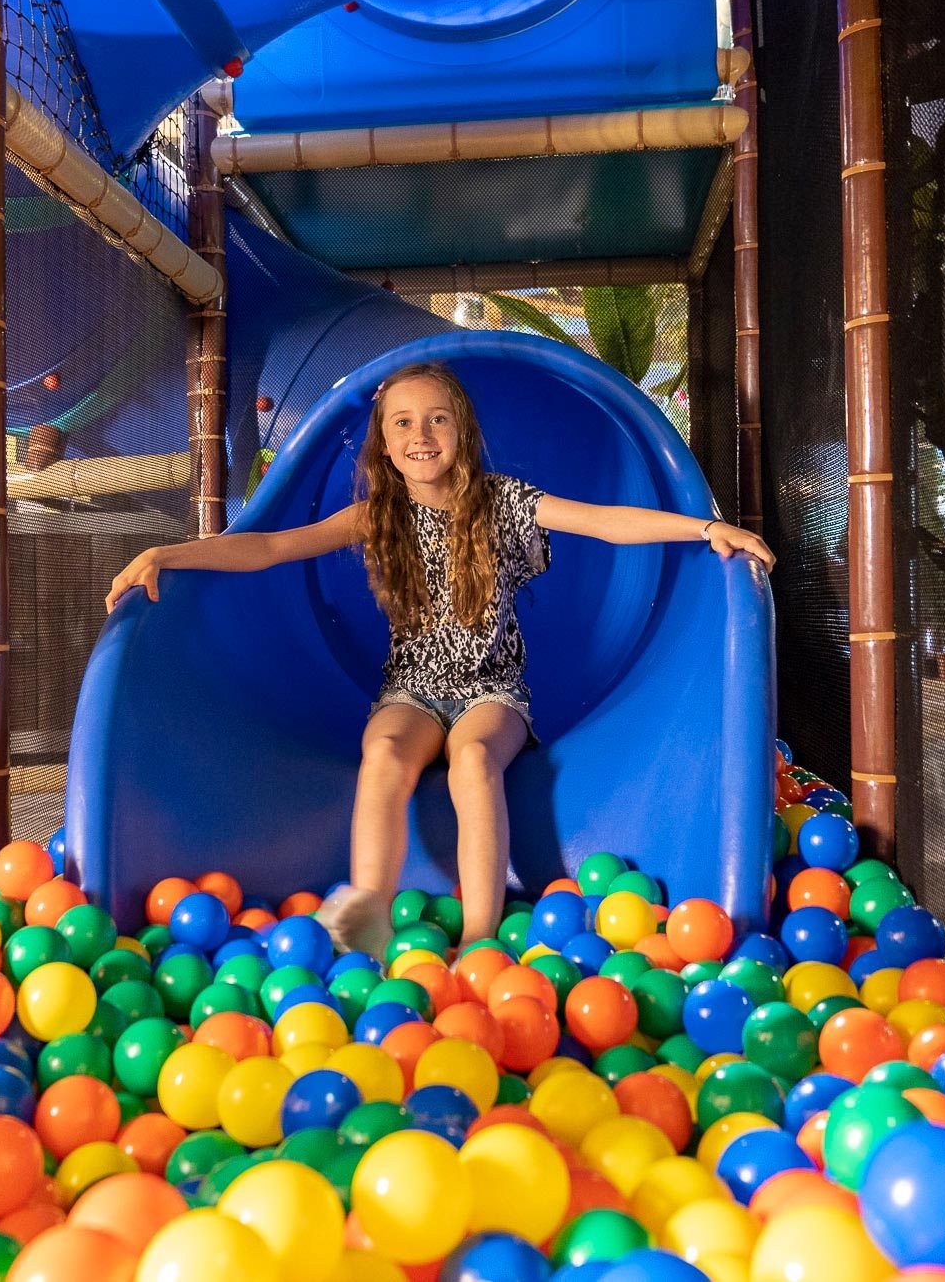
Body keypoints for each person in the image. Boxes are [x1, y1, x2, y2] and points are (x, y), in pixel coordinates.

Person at [104, 361, 775, 956]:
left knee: (476, 759)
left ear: (463, 431)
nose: (421, 434)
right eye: (403, 422)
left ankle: (479, 935)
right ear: (385, 442)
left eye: (437, 419)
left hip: (494, 691)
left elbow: (602, 518)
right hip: (411, 690)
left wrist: (706, 527)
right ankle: (368, 905)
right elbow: (270, 548)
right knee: (386, 757)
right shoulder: (376, 515)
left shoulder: (504, 502)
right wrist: (169, 553)